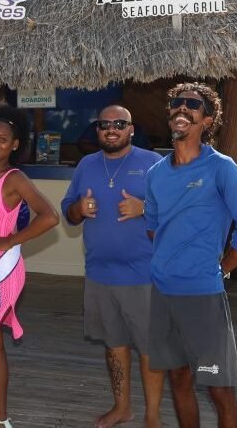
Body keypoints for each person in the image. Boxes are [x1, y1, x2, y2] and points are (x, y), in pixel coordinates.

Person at [144, 83, 237, 428]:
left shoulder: (221, 168)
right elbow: (153, 227)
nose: (182, 109)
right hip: (163, 293)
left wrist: (223, 268)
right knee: (179, 381)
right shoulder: (155, 174)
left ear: (207, 120)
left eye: (192, 106)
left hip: (202, 298)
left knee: (218, 389)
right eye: (177, 104)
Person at [0, 66, 60, 428]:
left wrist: (10, 240)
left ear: (15, 144)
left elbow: (50, 216)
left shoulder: (14, 178)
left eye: (2, 139)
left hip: (2, 273)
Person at [61, 105, 164, 428]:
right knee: (114, 345)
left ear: (131, 129)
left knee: (150, 349)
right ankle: (122, 408)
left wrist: (144, 208)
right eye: (104, 124)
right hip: (99, 275)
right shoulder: (87, 165)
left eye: (119, 123)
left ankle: (152, 416)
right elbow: (68, 213)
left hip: (143, 276)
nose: (111, 129)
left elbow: (175, 212)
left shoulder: (152, 163)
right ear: (97, 130)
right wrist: (78, 208)